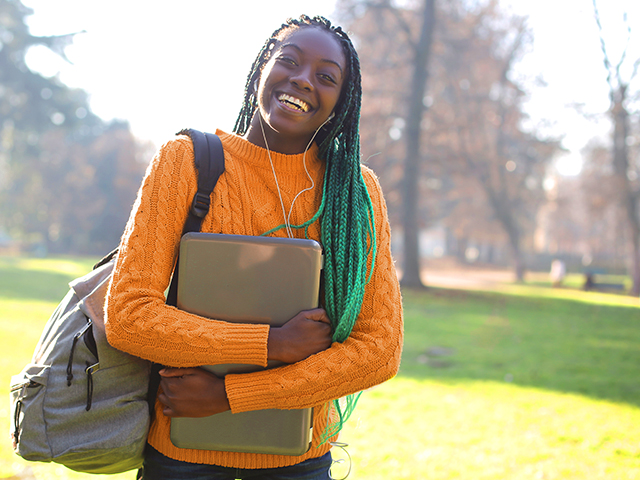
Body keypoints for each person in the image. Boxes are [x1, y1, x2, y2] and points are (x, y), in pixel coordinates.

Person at [105, 15, 403, 480]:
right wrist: (273, 344)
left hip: (299, 462)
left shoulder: (355, 194)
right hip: (183, 460)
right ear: (263, 66)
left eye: (326, 77)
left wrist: (231, 396)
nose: (303, 80)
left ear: (342, 102)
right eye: (289, 61)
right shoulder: (185, 161)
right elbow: (128, 316)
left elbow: (379, 348)